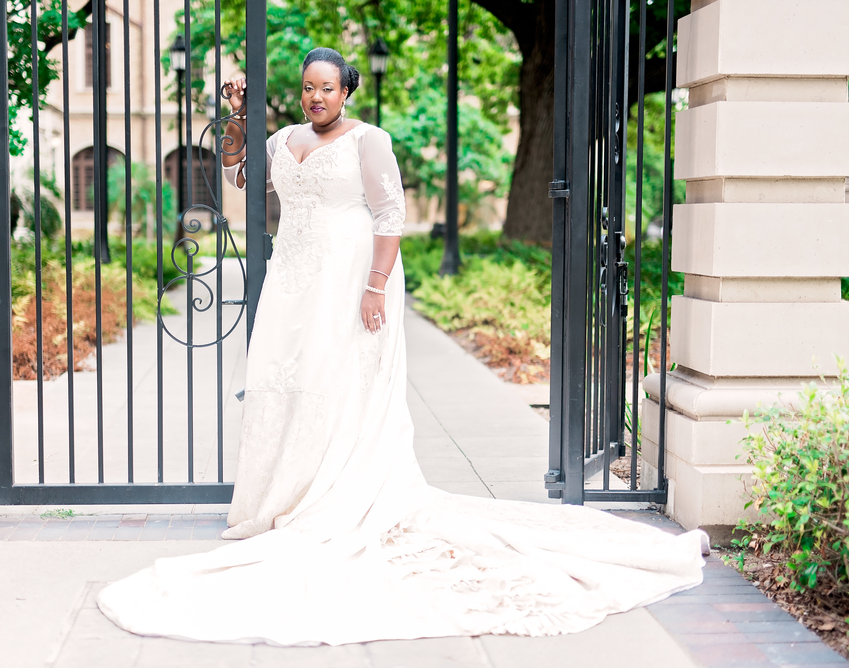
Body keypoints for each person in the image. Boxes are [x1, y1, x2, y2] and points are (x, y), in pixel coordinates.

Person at [97, 47, 707, 646]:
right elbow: (239, 178)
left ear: (346, 91)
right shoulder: (282, 140)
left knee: (340, 384)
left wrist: (376, 287)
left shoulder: (370, 140)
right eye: (308, 87)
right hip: (293, 277)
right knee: (288, 381)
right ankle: (286, 495)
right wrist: (233, 118)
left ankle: (338, 494)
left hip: (354, 273)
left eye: (327, 88)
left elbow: (390, 214)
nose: (316, 97)